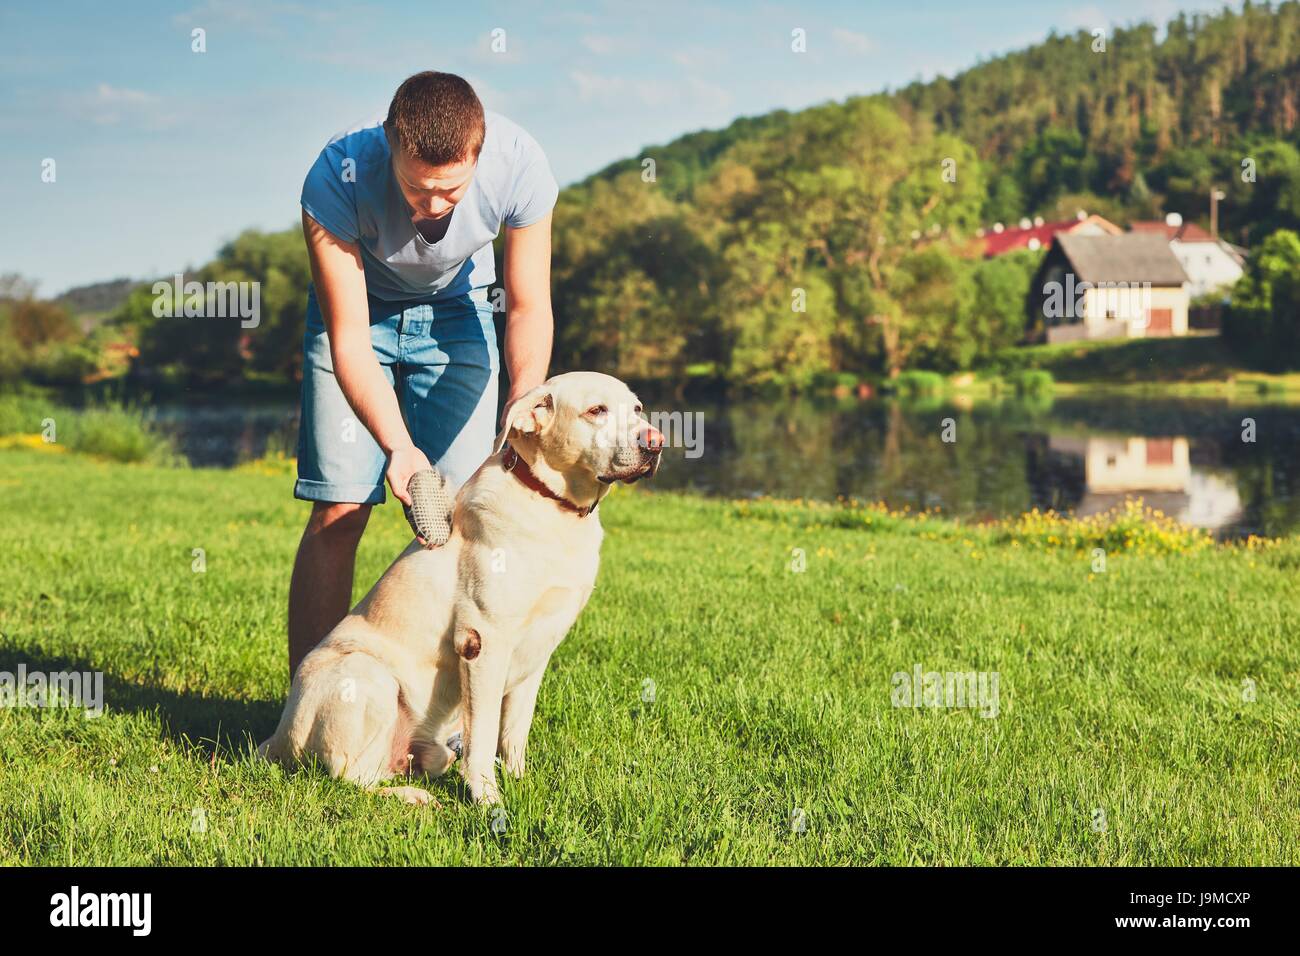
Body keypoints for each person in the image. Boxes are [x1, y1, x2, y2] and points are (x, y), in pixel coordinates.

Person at [287, 71, 557, 675]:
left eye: (451, 190)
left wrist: (526, 392)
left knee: (463, 517)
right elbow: (349, 338)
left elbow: (530, 305)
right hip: (359, 318)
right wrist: (399, 450)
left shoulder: (520, 166)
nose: (433, 207)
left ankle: (442, 724)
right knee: (341, 509)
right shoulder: (336, 176)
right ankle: (307, 708)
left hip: (460, 315)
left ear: (479, 154)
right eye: (416, 187)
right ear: (389, 143)